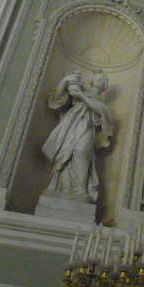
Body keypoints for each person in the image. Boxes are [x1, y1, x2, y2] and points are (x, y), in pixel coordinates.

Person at [42, 70, 114, 203]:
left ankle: (80, 190)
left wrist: (82, 96)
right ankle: (64, 189)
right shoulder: (78, 92)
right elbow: (58, 99)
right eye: (97, 78)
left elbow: (101, 112)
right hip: (70, 128)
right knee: (66, 157)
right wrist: (65, 80)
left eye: (101, 80)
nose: (98, 81)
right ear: (91, 81)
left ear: (104, 87)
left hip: (86, 129)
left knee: (81, 152)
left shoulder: (97, 102)